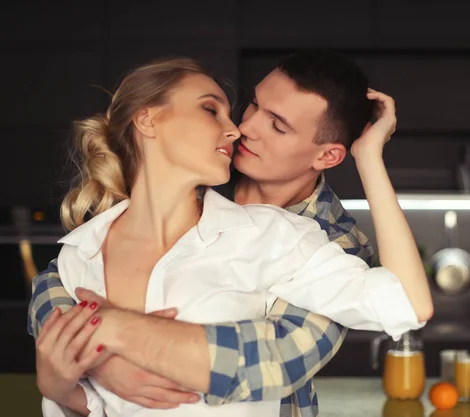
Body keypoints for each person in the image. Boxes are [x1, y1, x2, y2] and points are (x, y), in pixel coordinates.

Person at [30, 51, 433, 417]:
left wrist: (119, 335)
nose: (244, 128)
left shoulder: (326, 242)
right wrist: (92, 360)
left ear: (327, 156)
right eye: (255, 104)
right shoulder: (195, 175)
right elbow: (58, 279)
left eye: (277, 125)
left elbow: (270, 361)